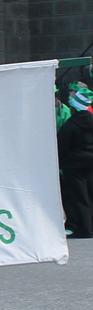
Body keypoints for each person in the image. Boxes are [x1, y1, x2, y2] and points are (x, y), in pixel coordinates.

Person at [58, 86, 93, 238]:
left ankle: (84, 229)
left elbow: (62, 146)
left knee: (79, 198)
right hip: (90, 162)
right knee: (90, 195)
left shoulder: (70, 125)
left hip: (73, 166)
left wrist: (61, 162)